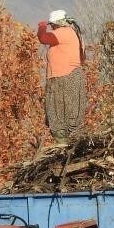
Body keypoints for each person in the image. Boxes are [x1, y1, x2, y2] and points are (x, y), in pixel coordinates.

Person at [37, 9, 87, 145]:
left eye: (52, 25)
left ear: (57, 24)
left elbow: (43, 38)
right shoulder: (72, 34)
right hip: (63, 77)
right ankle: (66, 145)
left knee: (63, 114)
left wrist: (42, 26)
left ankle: (67, 146)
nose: (51, 28)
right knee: (62, 113)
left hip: (66, 77)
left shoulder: (64, 32)